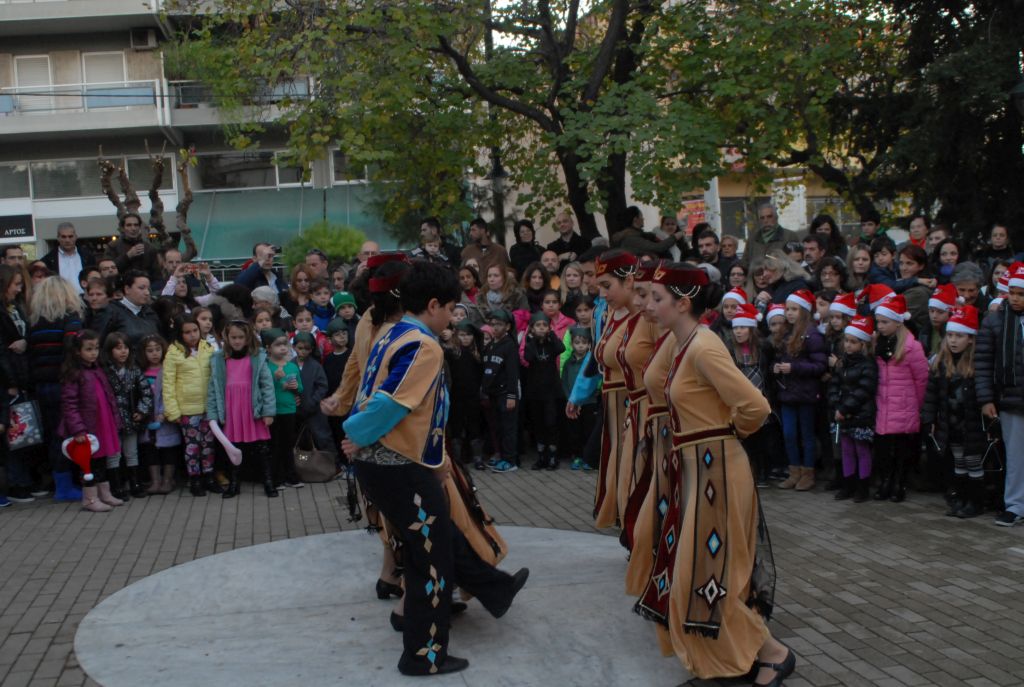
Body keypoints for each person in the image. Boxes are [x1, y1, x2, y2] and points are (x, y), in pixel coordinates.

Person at [341, 259, 529, 677]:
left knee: (434, 543)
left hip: (389, 466)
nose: (453, 316)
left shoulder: (393, 333)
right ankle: (424, 655)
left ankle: (494, 591)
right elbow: (390, 403)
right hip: (399, 467)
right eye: (450, 308)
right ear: (432, 305)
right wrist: (356, 431)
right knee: (431, 560)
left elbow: (371, 390)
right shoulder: (424, 346)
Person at [636, 262, 793, 686]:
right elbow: (656, 383)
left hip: (718, 470)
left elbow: (756, 407)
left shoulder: (703, 347)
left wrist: (725, 434)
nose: (647, 305)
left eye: (656, 298)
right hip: (698, 469)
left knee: (707, 574)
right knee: (702, 575)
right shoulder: (683, 342)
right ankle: (730, 661)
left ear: (682, 303)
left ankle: (773, 653)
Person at [922, 306, 986, 518]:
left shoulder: (977, 364)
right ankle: (961, 498)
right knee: (958, 461)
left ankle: (975, 501)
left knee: (973, 461)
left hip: (971, 424)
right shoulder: (941, 362)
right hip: (951, 423)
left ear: (971, 339)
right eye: (950, 335)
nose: (953, 340)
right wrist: (929, 418)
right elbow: (931, 395)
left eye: (959, 336)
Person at [27, 276, 85, 501]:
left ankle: (61, 483)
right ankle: (71, 484)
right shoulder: (70, 319)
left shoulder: (34, 323)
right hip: (65, 384)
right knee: (72, 433)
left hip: (42, 385)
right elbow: (73, 349)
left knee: (54, 434)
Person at [975, 262, 1024, 526]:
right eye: (1012, 293)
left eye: (1021, 294)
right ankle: (1015, 505)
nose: (1015, 298)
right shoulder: (995, 320)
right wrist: (986, 399)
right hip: (1010, 399)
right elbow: (983, 362)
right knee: (1015, 456)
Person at [207, 320, 277, 498]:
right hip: (232, 410)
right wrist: (213, 414)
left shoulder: (257, 357)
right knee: (233, 448)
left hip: (253, 409)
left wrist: (268, 412)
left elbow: (267, 385)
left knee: (262, 448)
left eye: (241, 337)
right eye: (233, 337)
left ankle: (269, 482)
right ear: (226, 337)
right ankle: (234, 484)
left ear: (248, 338)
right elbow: (213, 388)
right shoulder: (219, 359)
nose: (237, 341)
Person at [59, 329, 124, 512]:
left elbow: (108, 396)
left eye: (96, 348)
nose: (94, 353)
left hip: (102, 422)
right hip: (88, 426)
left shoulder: (97, 370)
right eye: (88, 349)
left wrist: (115, 419)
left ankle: (105, 493)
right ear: (77, 351)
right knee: (89, 463)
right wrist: (78, 429)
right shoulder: (74, 374)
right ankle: (89, 498)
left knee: (102, 459)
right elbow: (69, 404)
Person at [872, 295, 929, 503]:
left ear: (898, 322)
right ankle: (885, 481)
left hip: (905, 405)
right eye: (878, 322)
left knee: (901, 449)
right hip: (883, 404)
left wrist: (917, 406)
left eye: (885, 322)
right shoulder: (876, 343)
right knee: (883, 449)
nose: (880, 326)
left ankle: (899, 483)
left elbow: (921, 379)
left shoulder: (912, 347)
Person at [773, 290, 828, 491]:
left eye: (794, 309)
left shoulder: (812, 334)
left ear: (804, 311)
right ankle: (793, 472)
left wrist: (794, 368)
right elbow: (778, 358)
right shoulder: (785, 332)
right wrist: (775, 367)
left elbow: (820, 366)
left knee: (806, 435)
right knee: (789, 434)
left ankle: (808, 473)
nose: (789, 313)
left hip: (806, 394)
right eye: (787, 309)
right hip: (788, 393)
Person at [163, 314, 217, 497]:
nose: (193, 335)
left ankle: (209, 476)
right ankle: (195, 478)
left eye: (195, 330)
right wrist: (173, 411)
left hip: (208, 407)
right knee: (192, 446)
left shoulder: (208, 348)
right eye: (187, 332)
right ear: (180, 334)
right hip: (188, 408)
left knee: (208, 444)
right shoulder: (173, 353)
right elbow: (168, 383)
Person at [828, 316, 878, 502]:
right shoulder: (843, 362)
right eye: (847, 341)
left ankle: (862, 487)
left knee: (861, 450)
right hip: (842, 414)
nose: (848, 345)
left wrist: (844, 408)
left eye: (853, 342)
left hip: (860, 415)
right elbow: (834, 384)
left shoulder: (868, 364)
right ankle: (848, 485)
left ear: (863, 344)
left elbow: (864, 390)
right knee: (846, 450)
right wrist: (836, 404)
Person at [101, 332, 153, 500]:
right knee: (114, 454)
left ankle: (135, 484)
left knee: (132, 452)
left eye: (126, 348)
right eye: (118, 348)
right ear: (109, 350)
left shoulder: (134, 370)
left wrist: (141, 411)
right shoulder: (105, 372)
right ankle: (116, 486)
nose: (123, 351)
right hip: (112, 421)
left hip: (131, 419)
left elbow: (146, 392)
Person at [137, 334, 181, 495]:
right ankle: (155, 480)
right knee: (151, 451)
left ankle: (168, 480)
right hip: (148, 419)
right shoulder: (140, 372)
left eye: (157, 349)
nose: (154, 353)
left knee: (168, 450)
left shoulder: (168, 370)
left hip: (166, 418)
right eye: (150, 351)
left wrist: (164, 413)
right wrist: (143, 413)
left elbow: (172, 393)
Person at [522, 312, 566, 470]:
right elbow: (528, 357)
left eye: (544, 325)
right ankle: (541, 456)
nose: (541, 328)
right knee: (538, 424)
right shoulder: (530, 343)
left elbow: (561, 348)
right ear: (532, 328)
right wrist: (533, 339)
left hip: (551, 392)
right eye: (538, 325)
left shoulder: (551, 343)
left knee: (551, 423)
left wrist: (551, 334)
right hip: (535, 391)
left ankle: (553, 456)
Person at [262, 327, 304, 491]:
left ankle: (291, 477)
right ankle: (276, 478)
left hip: (290, 410)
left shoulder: (292, 366)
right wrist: (276, 380)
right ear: (268, 348)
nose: (282, 348)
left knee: (288, 445)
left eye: (284, 344)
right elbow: (263, 389)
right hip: (273, 412)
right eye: (277, 345)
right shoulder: (266, 366)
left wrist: (295, 387)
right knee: (275, 445)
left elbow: (300, 388)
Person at [482, 308, 520, 472]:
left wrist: (511, 395)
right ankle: (501, 456)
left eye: (499, 324)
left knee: (508, 428)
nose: (495, 327)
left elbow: (513, 373)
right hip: (493, 394)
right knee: (498, 427)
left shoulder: (509, 345)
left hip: (506, 394)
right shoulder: (491, 345)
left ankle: (510, 461)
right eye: (493, 324)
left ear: (508, 326)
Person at [294, 331, 337, 463]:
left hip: (315, 409)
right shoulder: (289, 365)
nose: (303, 351)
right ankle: (302, 465)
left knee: (322, 437)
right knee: (299, 439)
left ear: (312, 349)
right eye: (300, 348)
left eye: (307, 349)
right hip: (295, 410)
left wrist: (313, 401)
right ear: (294, 347)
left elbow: (322, 386)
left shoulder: (315, 366)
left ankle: (332, 464)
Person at [560, 327, 597, 472]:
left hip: (589, 403)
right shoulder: (568, 363)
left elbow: (593, 383)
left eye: (584, 343)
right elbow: (564, 382)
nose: (580, 346)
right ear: (571, 345)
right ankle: (577, 456)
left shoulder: (591, 363)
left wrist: (582, 398)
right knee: (574, 432)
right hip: (572, 404)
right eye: (577, 343)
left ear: (589, 345)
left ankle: (589, 458)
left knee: (589, 431)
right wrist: (571, 399)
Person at [104, 271, 161, 345]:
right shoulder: (111, 311)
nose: (147, 293)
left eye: (148, 289)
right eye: (141, 288)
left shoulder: (151, 313)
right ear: (127, 289)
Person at [104, 213, 161, 281]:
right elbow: (107, 269)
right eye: (129, 225)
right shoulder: (113, 246)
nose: (133, 228)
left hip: (145, 285)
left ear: (139, 227)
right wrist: (127, 256)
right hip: (121, 285)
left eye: (136, 225)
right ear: (123, 228)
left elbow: (156, 274)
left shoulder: (149, 248)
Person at [42, 222, 95, 293]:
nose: (67, 240)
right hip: (60, 298)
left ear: (76, 237)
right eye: (63, 237)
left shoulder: (88, 257)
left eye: (70, 236)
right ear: (58, 238)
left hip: (85, 297)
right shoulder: (48, 260)